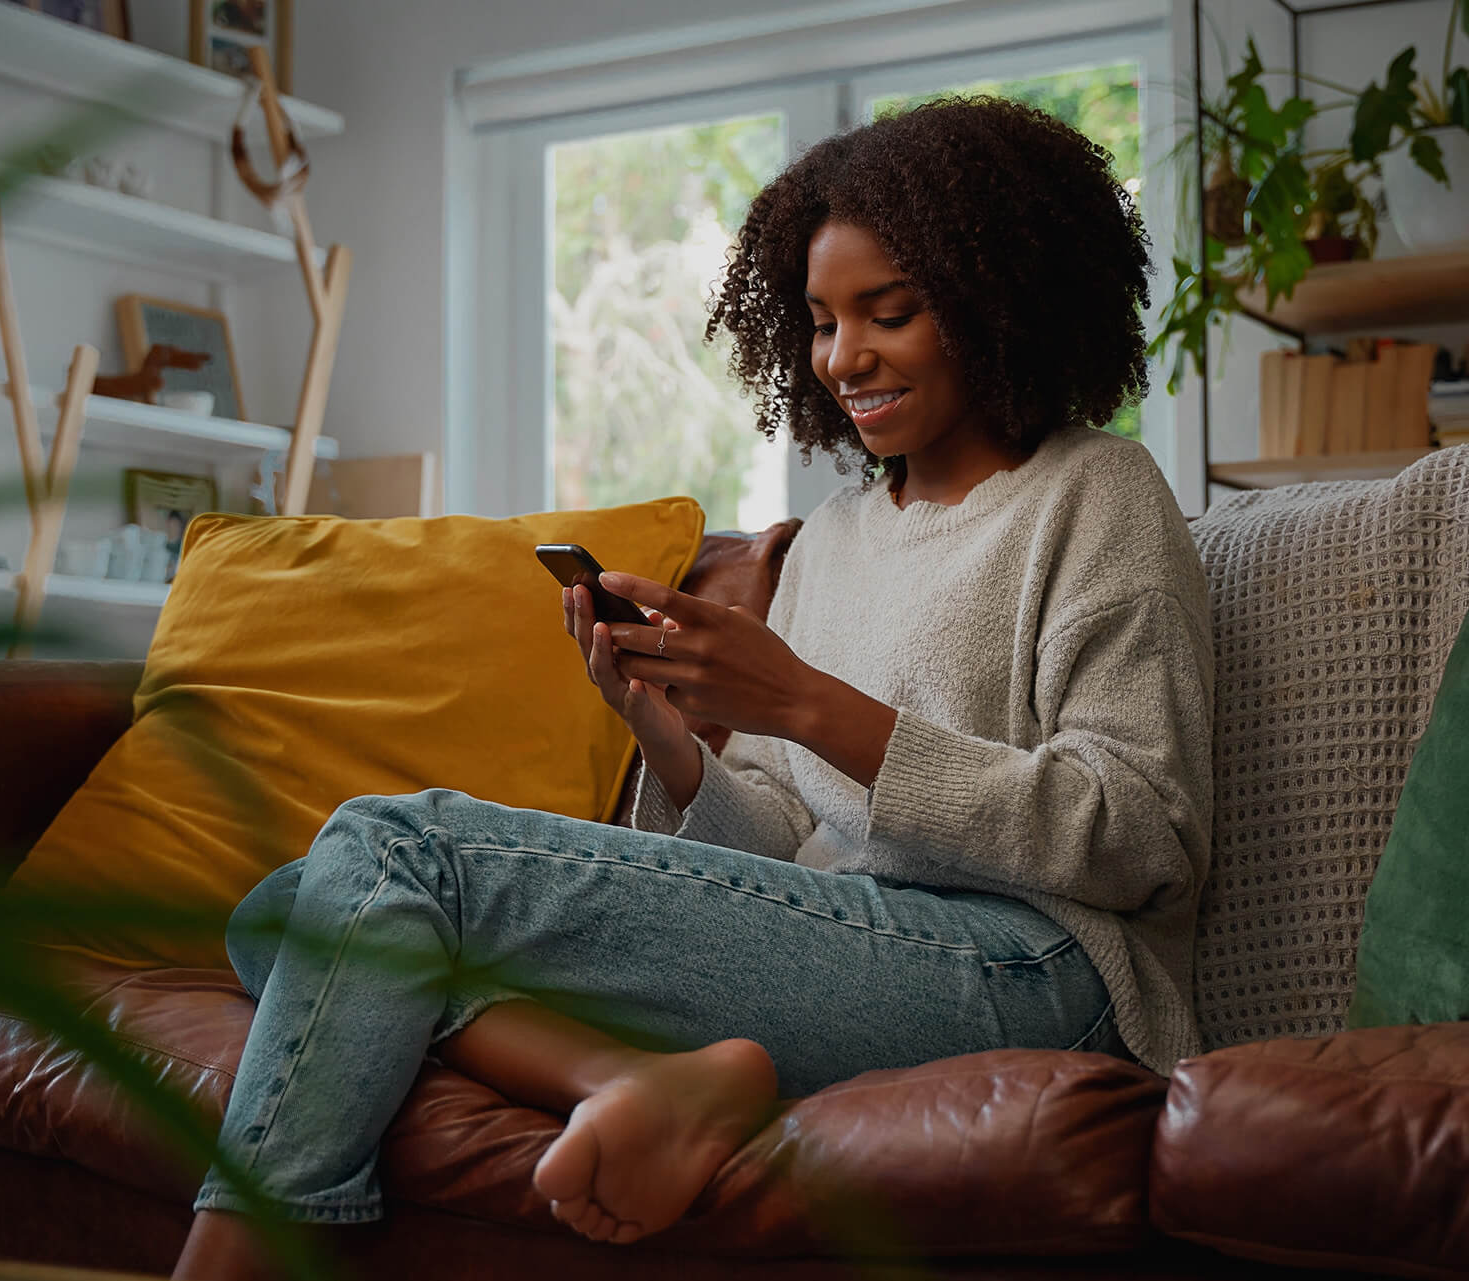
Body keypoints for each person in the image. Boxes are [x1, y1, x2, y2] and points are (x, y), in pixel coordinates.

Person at [174, 96, 1213, 1278]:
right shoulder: (832, 539)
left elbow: (1142, 835)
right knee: (289, 905)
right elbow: (775, 840)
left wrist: (811, 703)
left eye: (891, 314)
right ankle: (633, 1082)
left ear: (999, 295)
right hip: (851, 949)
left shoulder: (1099, 496)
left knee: (388, 856)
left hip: (1035, 971)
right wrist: (665, 735)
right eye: (821, 322)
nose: (843, 358)